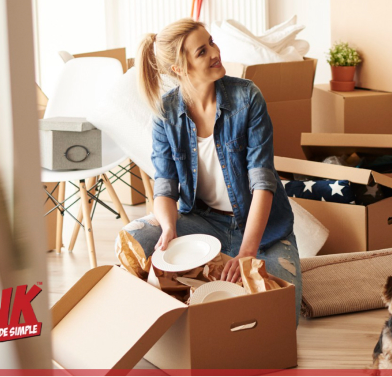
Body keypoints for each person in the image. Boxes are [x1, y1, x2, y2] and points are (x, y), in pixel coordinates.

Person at [121, 18, 302, 321]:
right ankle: (180, 298)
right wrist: (169, 229)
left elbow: (263, 183)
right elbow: (165, 185)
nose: (215, 53)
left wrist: (247, 252)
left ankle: (214, 275)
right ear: (179, 69)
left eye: (211, 43)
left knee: (281, 314)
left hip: (264, 231)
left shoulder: (247, 98)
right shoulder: (166, 113)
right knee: (134, 237)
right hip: (203, 223)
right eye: (202, 52)